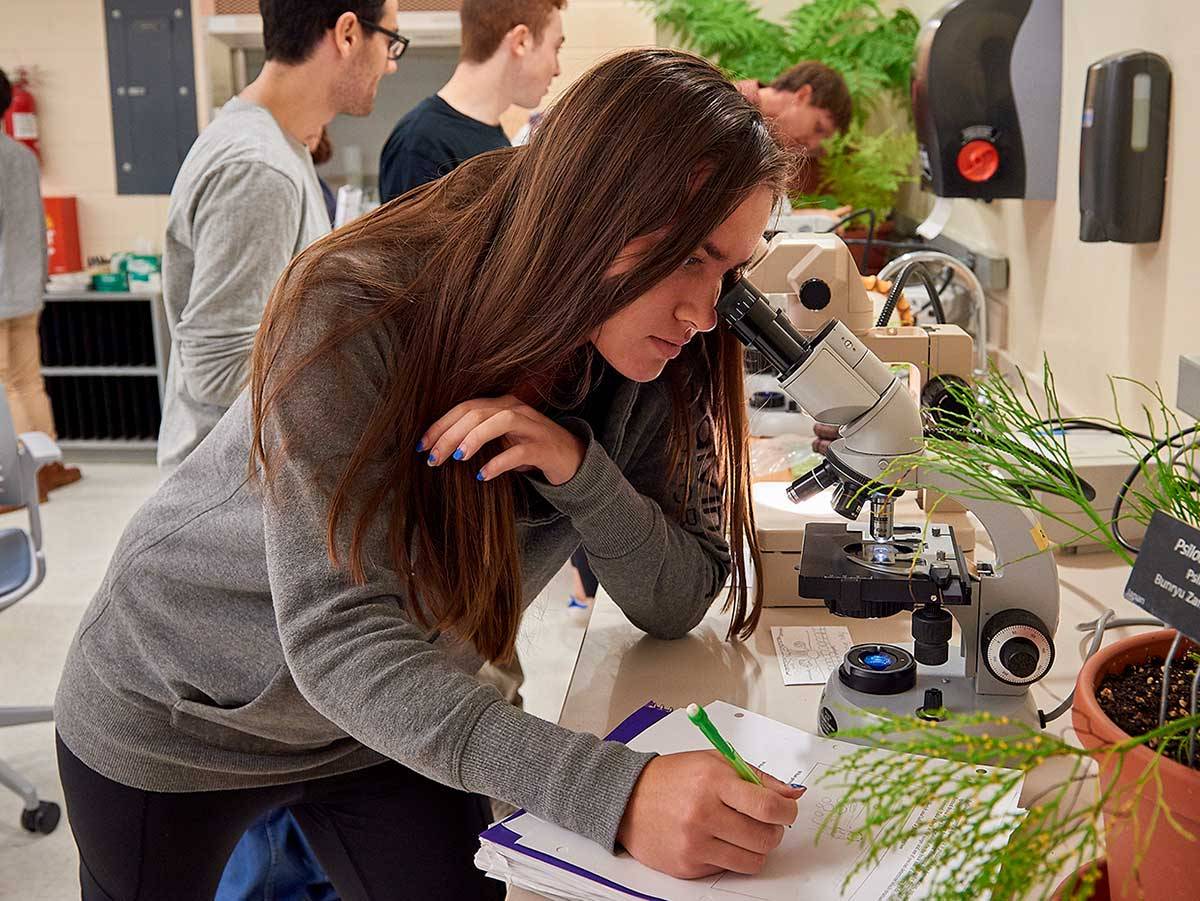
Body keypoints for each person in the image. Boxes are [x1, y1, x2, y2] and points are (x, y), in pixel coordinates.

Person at [53, 49, 805, 900]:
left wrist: (578, 468)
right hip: (181, 710)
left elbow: (677, 598)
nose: (706, 312)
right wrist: (613, 789)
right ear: (595, 211)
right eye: (692, 259)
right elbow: (338, 638)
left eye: (731, 269)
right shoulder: (352, 305)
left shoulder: (646, 355)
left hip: (385, 719)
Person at [156, 0, 403, 474]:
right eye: (389, 40)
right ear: (348, 34)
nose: (390, 63)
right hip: (224, 499)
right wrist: (363, 369)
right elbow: (219, 370)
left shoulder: (280, 147)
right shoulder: (258, 168)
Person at [378, 0, 564, 203]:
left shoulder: (494, 140)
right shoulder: (420, 144)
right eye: (556, 49)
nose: (557, 69)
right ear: (521, 41)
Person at [0, 68, 81, 503]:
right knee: (27, 380)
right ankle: (49, 465)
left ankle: (19, 477)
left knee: (3, 385)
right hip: (25, 286)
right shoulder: (21, 157)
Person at [736, 60, 852, 158]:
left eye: (824, 139)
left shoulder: (772, 148)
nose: (812, 144)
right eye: (818, 128)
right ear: (803, 95)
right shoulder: (729, 106)